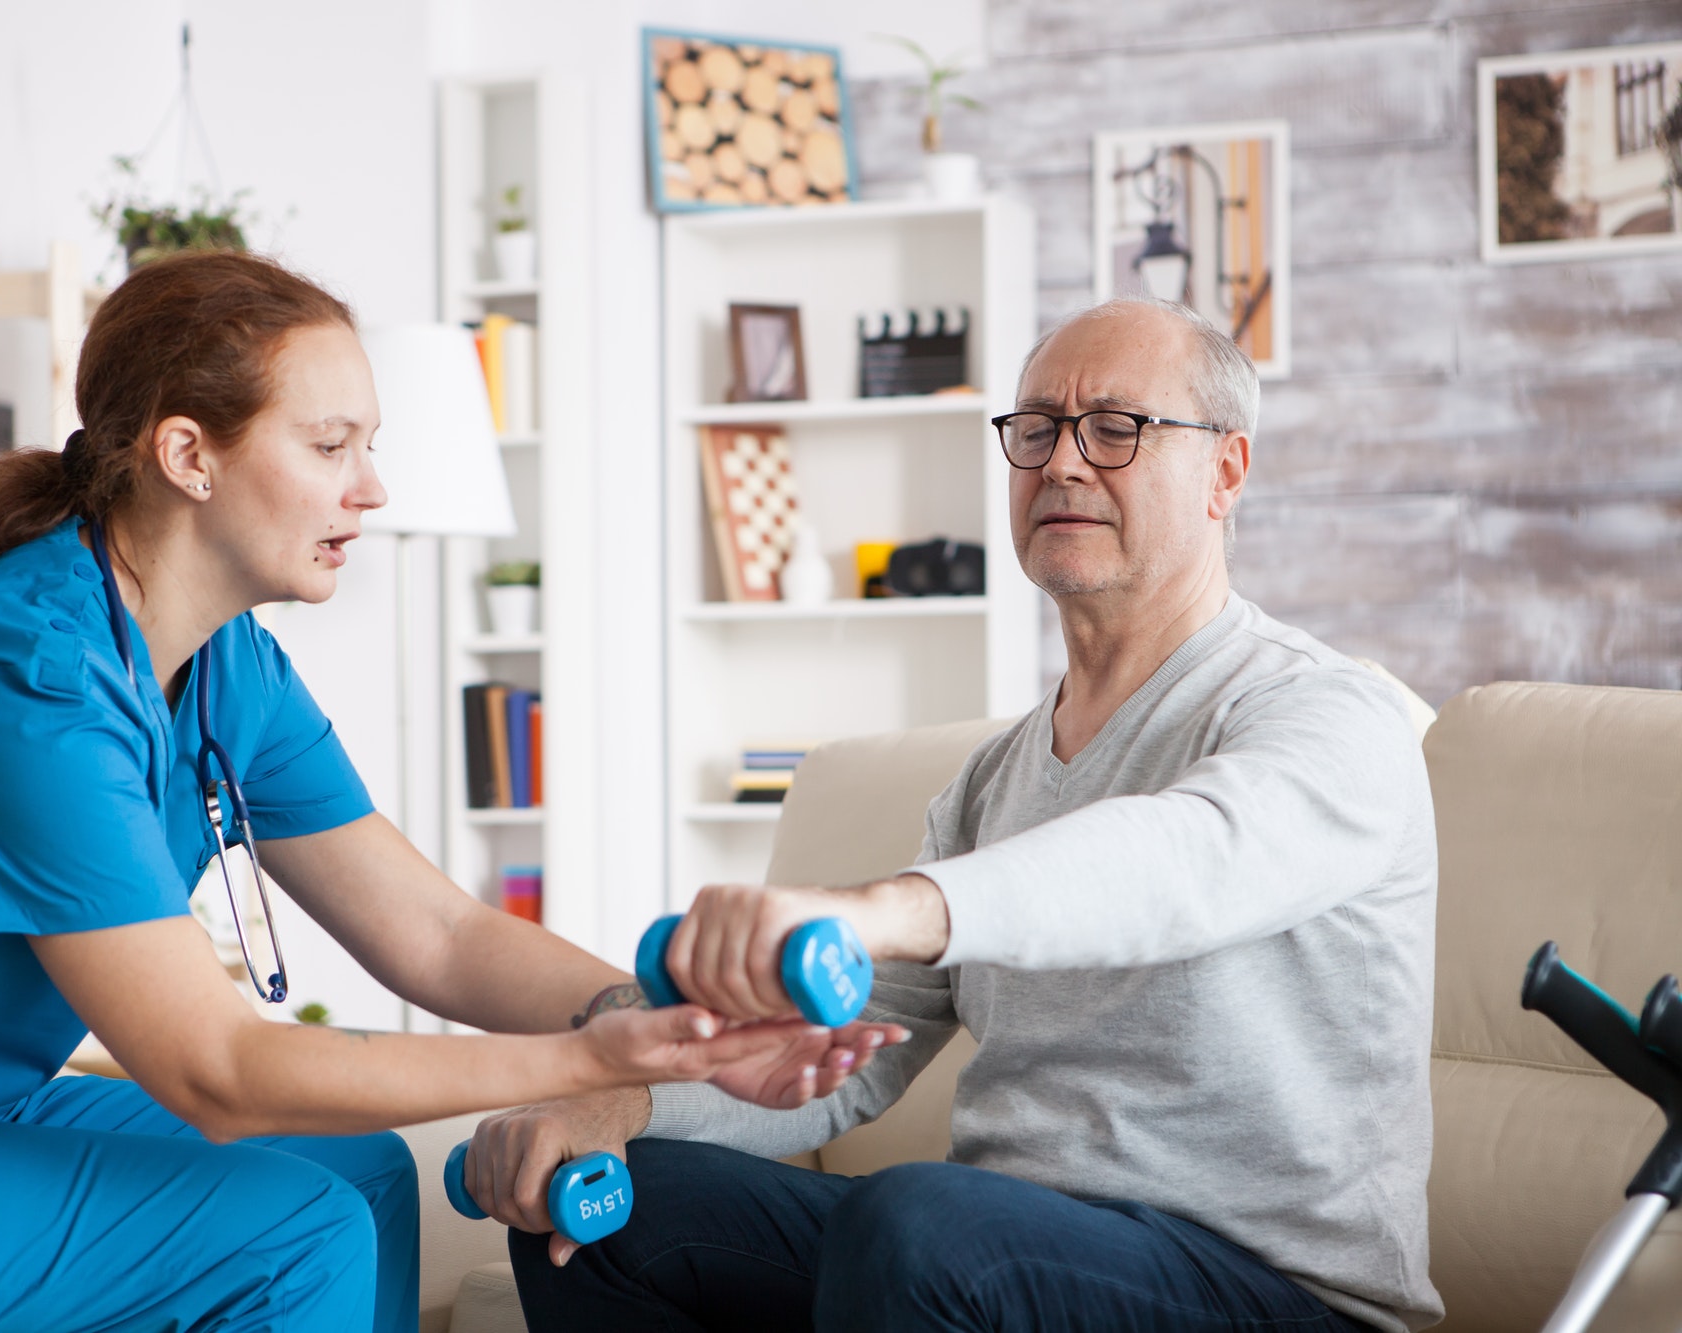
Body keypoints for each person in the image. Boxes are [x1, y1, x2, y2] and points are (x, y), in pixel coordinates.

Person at [0, 251, 899, 1333]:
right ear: (186, 455)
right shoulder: (24, 678)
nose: (370, 488)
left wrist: (653, 1018)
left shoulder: (228, 667)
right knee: (290, 1235)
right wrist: (593, 1063)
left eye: (368, 446)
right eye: (331, 446)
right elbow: (211, 1069)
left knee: (356, 1176)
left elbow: (438, 932)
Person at [478, 297, 1444, 1333]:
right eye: (1035, 429)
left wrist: (876, 909)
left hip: (1273, 1294)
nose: (1063, 463)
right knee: (606, 1206)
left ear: (1225, 471)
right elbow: (842, 1062)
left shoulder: (1329, 714)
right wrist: (609, 1106)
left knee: (919, 1225)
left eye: (1115, 428)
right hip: (1011, 1257)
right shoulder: (993, 780)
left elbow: (1181, 859)